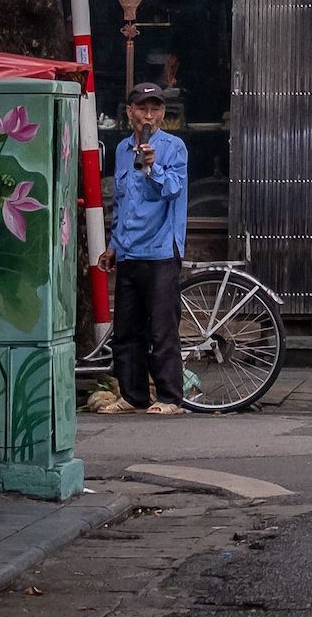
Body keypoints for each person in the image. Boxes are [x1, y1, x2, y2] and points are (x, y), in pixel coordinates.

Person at [94, 81, 188, 414]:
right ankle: (133, 396)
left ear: (163, 113)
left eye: (156, 109)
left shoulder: (173, 147)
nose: (149, 116)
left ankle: (169, 398)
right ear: (130, 111)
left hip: (161, 251)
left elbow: (173, 190)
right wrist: (113, 245)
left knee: (163, 330)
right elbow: (122, 203)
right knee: (127, 331)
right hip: (130, 250)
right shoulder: (121, 150)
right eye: (142, 109)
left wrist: (152, 166)